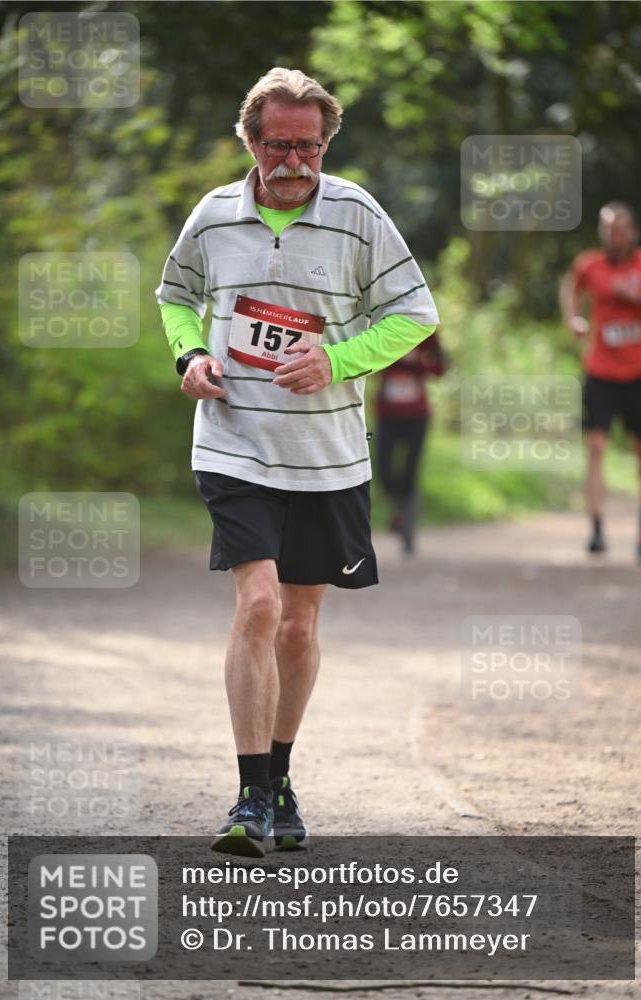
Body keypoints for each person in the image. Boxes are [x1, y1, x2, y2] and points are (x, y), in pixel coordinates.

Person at [155, 68, 439, 856]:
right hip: (234, 440)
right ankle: (249, 799)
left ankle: (279, 778)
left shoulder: (357, 215)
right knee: (258, 607)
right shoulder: (212, 218)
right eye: (278, 144)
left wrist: (341, 359)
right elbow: (174, 294)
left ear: (325, 144)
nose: (293, 160)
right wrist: (187, 353)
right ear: (250, 141)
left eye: (308, 146)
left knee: (301, 623)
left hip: (327, 456)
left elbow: (416, 313)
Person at [560, 202, 641, 560]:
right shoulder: (589, 264)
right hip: (601, 369)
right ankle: (597, 528)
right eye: (606, 231)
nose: (612, 237)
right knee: (596, 446)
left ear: (633, 232)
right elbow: (571, 286)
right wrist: (573, 318)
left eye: (619, 231)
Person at [376, 331, 446, 554]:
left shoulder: (427, 333)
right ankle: (398, 509)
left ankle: (407, 530)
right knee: (384, 470)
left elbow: (440, 368)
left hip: (417, 416)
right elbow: (371, 364)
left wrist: (418, 363)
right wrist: (397, 359)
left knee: (410, 472)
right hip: (387, 415)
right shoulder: (383, 328)